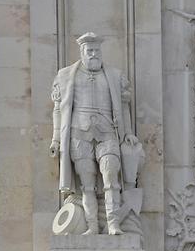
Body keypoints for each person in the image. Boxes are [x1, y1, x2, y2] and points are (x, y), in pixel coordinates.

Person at [50, 33, 139, 235]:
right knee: (87, 185)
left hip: (108, 133)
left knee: (110, 176)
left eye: (96, 51)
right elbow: (58, 109)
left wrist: (129, 133)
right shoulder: (65, 76)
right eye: (89, 51)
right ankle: (92, 226)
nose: (93, 54)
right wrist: (56, 139)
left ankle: (113, 223)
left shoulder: (115, 76)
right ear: (82, 52)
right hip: (78, 135)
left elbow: (124, 107)